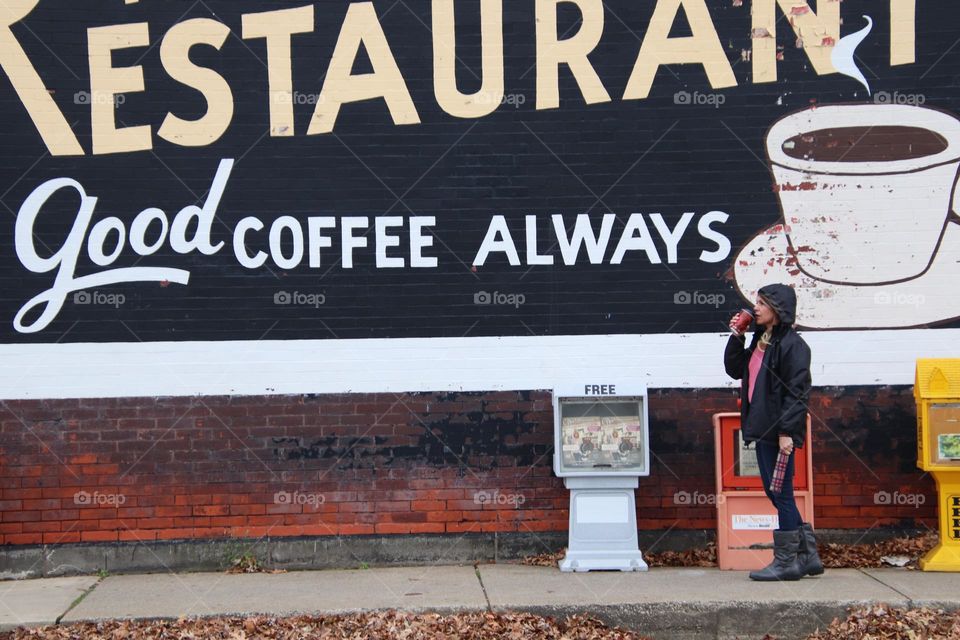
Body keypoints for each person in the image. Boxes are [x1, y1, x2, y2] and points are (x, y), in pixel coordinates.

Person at [724, 283, 823, 581]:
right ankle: (807, 557)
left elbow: (797, 393)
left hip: (778, 431)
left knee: (780, 492)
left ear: (778, 310)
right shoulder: (761, 340)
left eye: (762, 303)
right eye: (756, 302)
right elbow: (735, 369)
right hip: (764, 428)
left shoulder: (793, 346)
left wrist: (786, 433)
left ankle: (787, 562)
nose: (756, 308)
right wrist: (737, 337)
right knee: (776, 491)